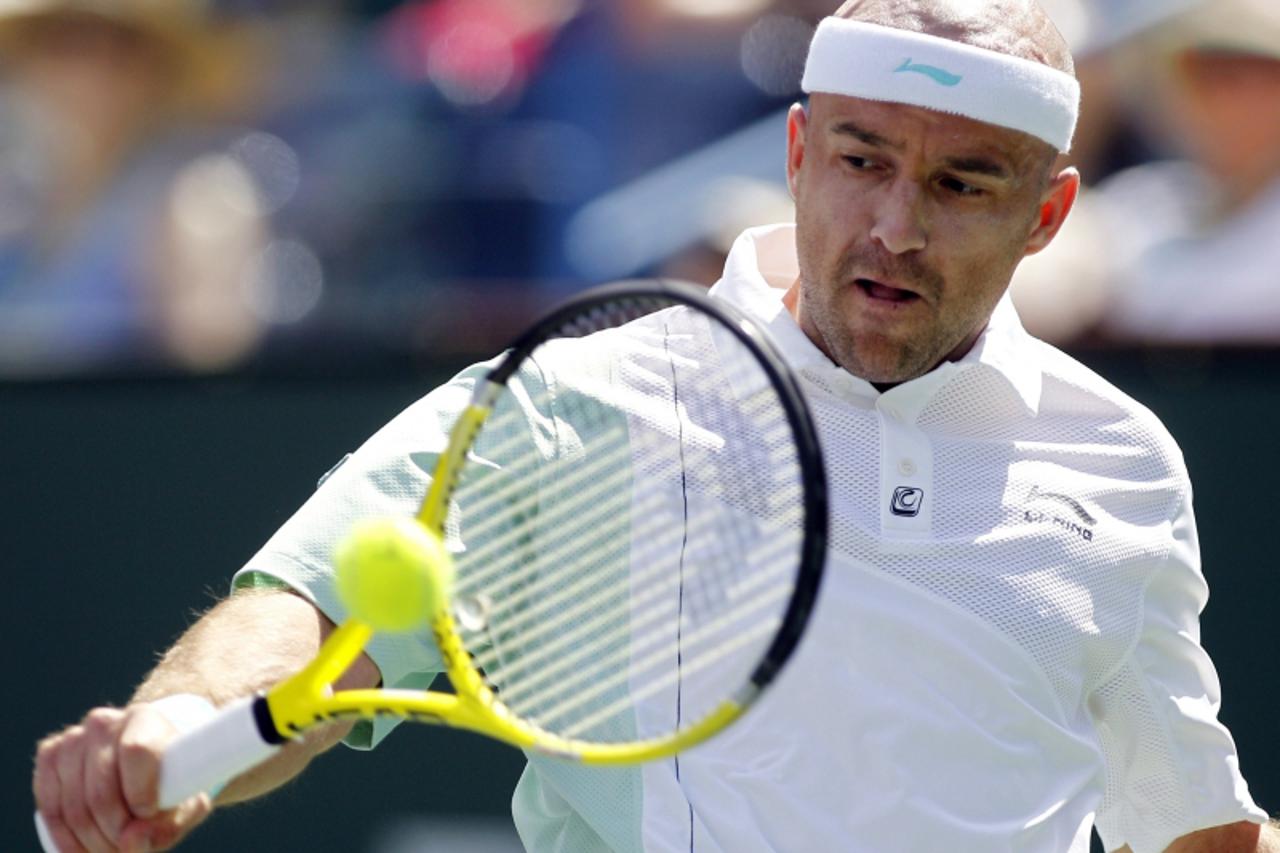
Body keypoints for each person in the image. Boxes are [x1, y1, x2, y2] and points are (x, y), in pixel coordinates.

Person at [31, 1, 1277, 851]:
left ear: (1048, 213)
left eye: (961, 184)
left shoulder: (1119, 463)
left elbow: (1189, 819)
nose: (896, 223)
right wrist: (169, 735)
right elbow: (303, 621)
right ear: (796, 153)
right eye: (860, 160)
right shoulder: (574, 402)